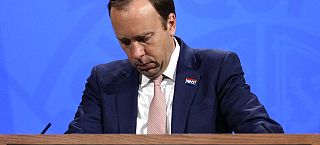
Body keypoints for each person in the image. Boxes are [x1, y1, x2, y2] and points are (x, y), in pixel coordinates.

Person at [66, 0, 284, 134]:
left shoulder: (216, 69)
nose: (136, 53)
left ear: (170, 24)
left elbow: (262, 134)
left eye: (144, 38)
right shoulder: (104, 80)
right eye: (125, 42)